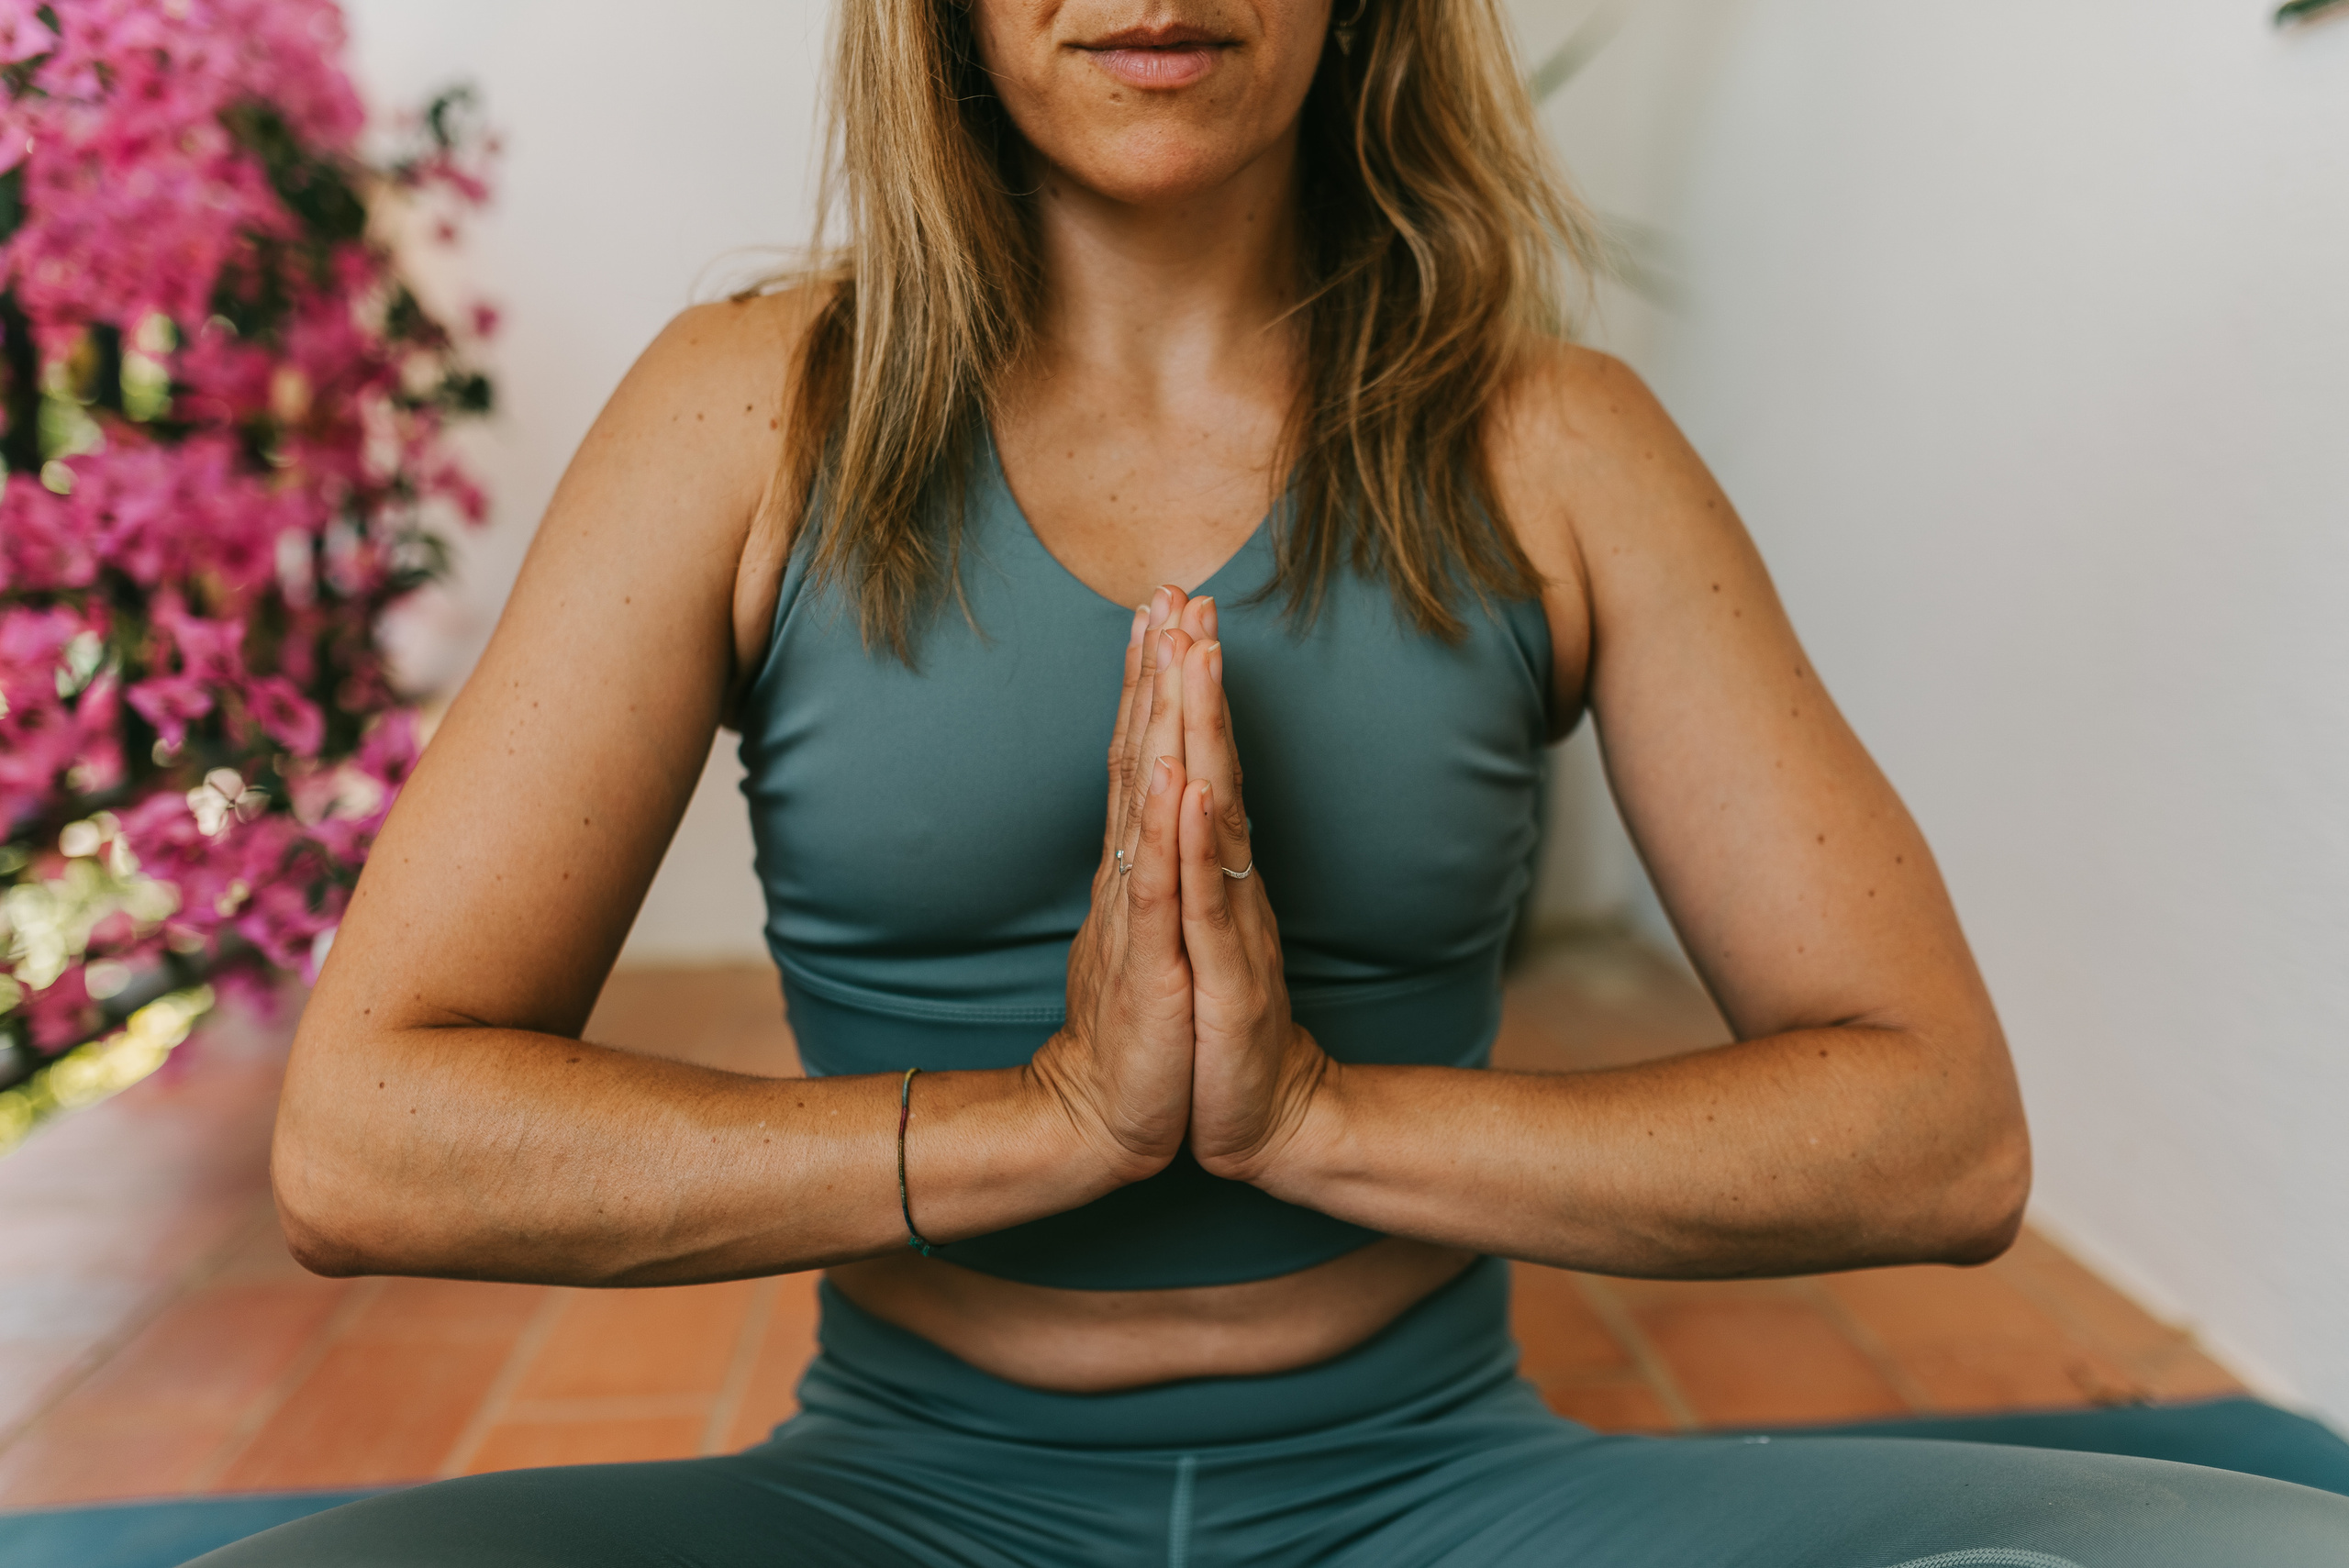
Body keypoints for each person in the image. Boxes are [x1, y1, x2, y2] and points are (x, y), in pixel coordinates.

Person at [203, 0, 2349, 1561]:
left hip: (1447, 1491)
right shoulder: (749, 418)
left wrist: (1314, 1117)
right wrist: (1042, 1130)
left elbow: (1935, 1133)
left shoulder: (1548, 439)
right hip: (895, 1503)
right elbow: (371, 1140)